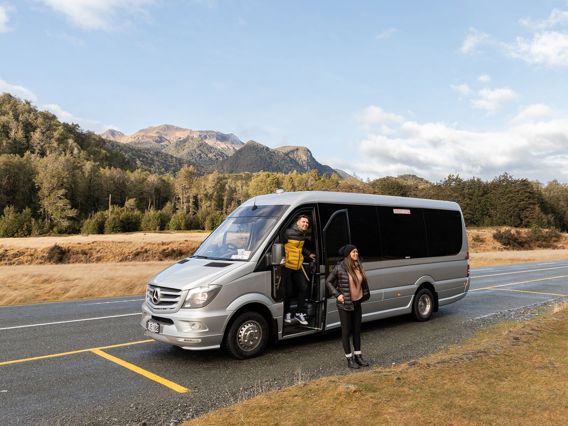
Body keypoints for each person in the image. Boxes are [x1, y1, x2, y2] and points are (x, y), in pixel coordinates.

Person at [326, 244, 371, 369]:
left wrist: (365, 294)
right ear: (347, 255)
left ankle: (358, 356)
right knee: (346, 332)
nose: (356, 254)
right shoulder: (340, 267)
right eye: (353, 252)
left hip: (357, 303)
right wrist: (337, 295)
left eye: (357, 251)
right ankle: (349, 359)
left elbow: (363, 283)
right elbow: (328, 281)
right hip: (344, 305)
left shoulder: (359, 266)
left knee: (357, 331)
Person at [283, 214, 316, 326]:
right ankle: (286, 313)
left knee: (304, 287)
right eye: (303, 222)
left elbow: (300, 248)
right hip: (287, 266)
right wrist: (281, 257)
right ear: (297, 223)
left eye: (307, 223)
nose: (305, 224)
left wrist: (309, 254)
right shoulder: (288, 233)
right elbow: (280, 245)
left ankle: (299, 313)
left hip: (297, 265)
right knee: (288, 291)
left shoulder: (302, 235)